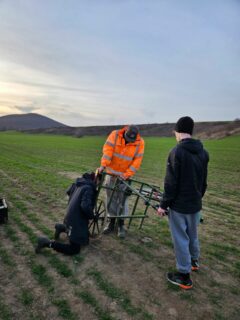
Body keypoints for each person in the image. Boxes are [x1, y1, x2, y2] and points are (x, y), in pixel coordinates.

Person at [157, 116, 209, 289]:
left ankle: (184, 275)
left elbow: (170, 184)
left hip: (179, 206)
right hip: (195, 204)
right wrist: (197, 198)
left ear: (178, 132)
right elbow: (203, 182)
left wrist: (163, 205)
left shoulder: (176, 152)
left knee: (180, 239)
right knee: (192, 234)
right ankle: (194, 261)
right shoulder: (203, 152)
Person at [98, 125, 144, 238]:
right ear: (125, 133)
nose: (129, 141)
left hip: (125, 177)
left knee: (123, 200)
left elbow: (137, 161)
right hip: (111, 173)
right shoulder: (115, 135)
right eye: (128, 139)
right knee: (111, 198)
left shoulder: (140, 142)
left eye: (131, 140)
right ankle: (111, 222)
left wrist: (126, 175)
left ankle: (121, 224)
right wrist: (103, 166)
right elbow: (108, 151)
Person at [35, 173, 96, 255]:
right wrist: (91, 215)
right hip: (76, 221)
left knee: (84, 239)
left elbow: (68, 192)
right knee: (74, 249)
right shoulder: (88, 188)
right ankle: (47, 243)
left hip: (69, 217)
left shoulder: (78, 183)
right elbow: (85, 206)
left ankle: (61, 227)